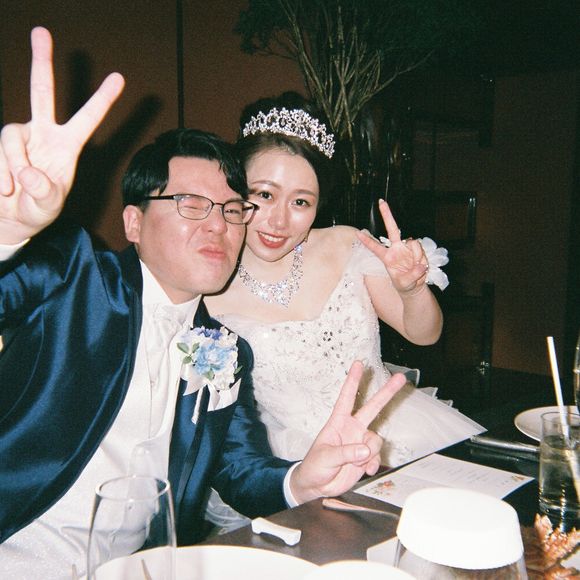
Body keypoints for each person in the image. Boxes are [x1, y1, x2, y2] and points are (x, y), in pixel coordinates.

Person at [0, 28, 407, 578]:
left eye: (232, 209)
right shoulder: (76, 274)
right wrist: (8, 230)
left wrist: (301, 479)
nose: (218, 225)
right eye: (191, 203)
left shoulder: (224, 349)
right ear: (134, 222)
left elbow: (238, 470)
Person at [203, 91, 485, 527]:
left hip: (397, 432)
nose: (279, 221)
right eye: (264, 194)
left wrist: (411, 289)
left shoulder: (347, 244)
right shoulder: (208, 287)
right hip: (294, 459)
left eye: (300, 202)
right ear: (237, 191)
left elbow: (425, 333)